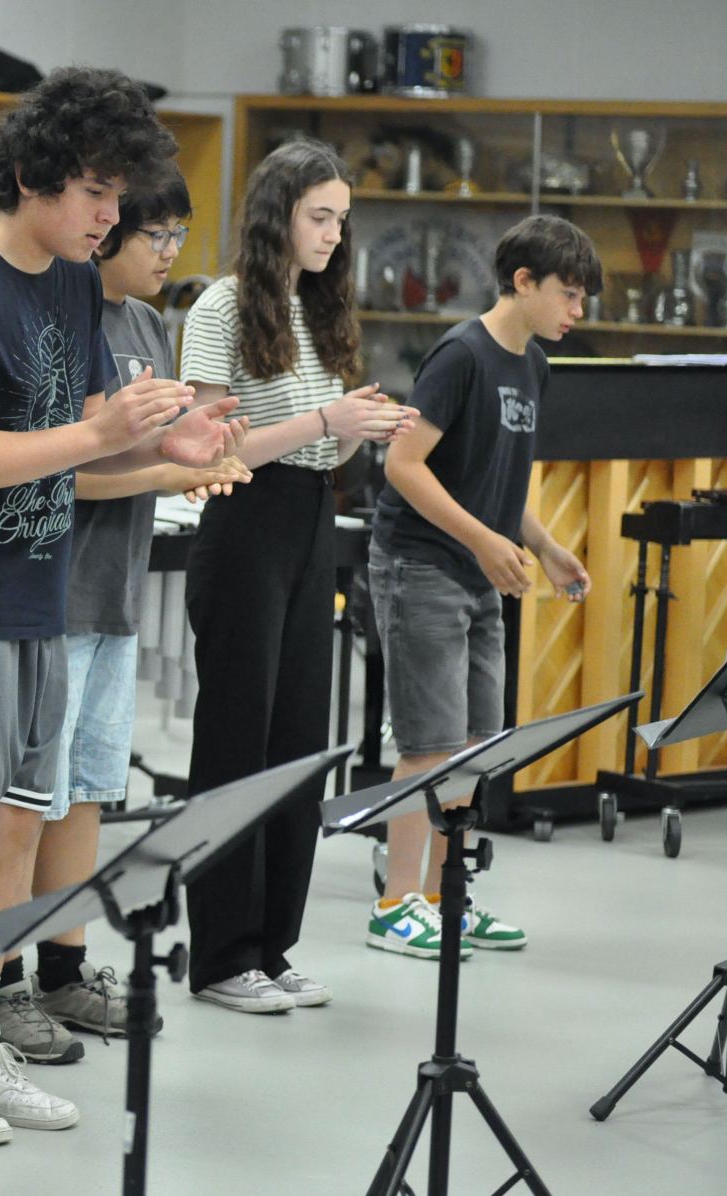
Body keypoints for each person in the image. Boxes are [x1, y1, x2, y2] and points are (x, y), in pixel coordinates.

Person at [0, 66, 245, 1147]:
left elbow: (79, 421)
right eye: (91, 193)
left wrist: (164, 440)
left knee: (14, 829)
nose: (110, 217)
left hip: (38, 591)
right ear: (30, 176)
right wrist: (96, 434)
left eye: (117, 196)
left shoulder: (76, 282)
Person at [0, 161, 251, 1065]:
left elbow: (146, 446)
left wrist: (198, 445)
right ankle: (3, 983)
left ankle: (64, 967)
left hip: (115, 589)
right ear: (101, 228)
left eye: (182, 236)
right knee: (28, 798)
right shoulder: (61, 318)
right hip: (49, 590)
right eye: (156, 235)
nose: (170, 252)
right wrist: (167, 471)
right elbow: (60, 462)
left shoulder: (147, 323)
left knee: (91, 791)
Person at [180, 136, 417, 1016]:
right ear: (278, 214)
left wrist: (365, 425)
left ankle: (272, 944)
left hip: (313, 516)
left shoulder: (315, 308)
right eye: (320, 216)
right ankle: (219, 953)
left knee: (298, 745)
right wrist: (328, 413)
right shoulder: (221, 305)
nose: (332, 234)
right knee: (236, 741)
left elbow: (322, 442)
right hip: (244, 520)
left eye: (342, 220)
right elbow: (210, 440)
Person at [366, 214, 599, 959]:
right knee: (428, 744)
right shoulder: (461, 356)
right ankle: (396, 905)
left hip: (477, 568)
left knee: (472, 745)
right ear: (523, 282)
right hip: (422, 564)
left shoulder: (534, 366)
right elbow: (403, 466)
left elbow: (495, 478)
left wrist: (546, 545)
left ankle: (445, 899)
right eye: (569, 293)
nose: (578, 311)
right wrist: (484, 540)